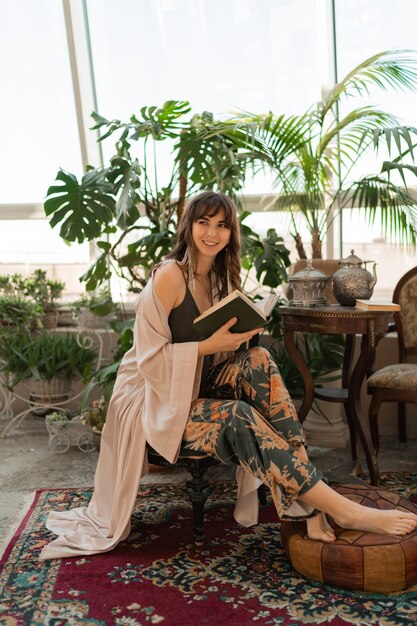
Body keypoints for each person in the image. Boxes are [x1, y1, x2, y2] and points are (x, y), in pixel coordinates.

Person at [40, 191, 416, 560]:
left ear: (230, 232)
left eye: (222, 225)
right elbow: (148, 362)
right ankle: (342, 510)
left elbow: (224, 353)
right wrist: (209, 345)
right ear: (189, 226)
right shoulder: (169, 277)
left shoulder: (219, 279)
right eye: (203, 222)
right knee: (239, 417)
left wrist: (238, 336)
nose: (212, 233)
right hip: (151, 398)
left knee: (259, 359)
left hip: (192, 383)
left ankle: (309, 504)